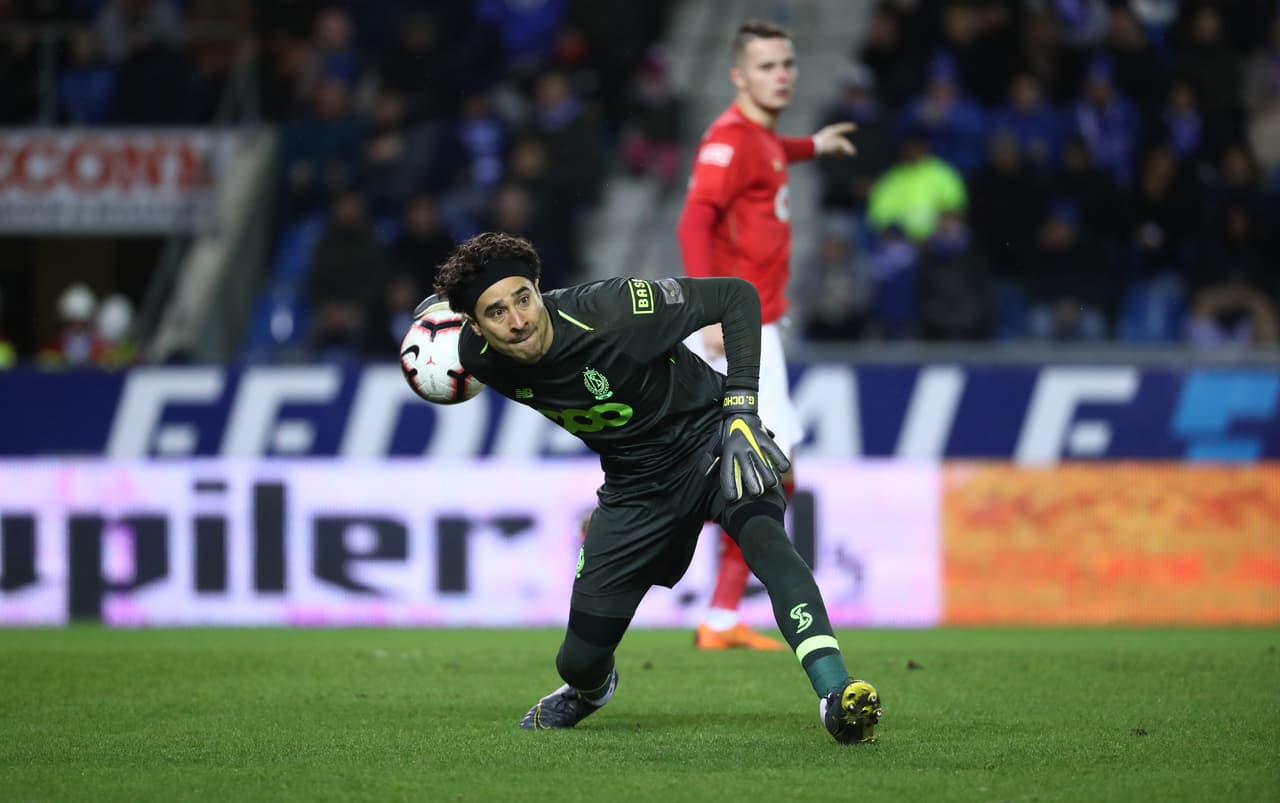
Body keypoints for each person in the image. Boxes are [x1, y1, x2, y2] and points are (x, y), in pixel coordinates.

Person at [431, 232, 882, 743]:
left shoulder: (615, 310)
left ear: (538, 288)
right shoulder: (478, 359)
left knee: (765, 540)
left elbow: (737, 296)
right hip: (634, 488)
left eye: (523, 298)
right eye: (496, 313)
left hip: (710, 440)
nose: (519, 321)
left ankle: (837, 693)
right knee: (577, 661)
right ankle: (592, 690)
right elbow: (436, 347)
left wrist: (740, 411)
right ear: (475, 325)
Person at [675, 19, 858, 651]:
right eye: (767, 66)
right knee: (766, 474)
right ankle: (708, 603)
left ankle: (720, 616)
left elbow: (775, 156)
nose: (781, 74)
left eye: (787, 64)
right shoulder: (729, 139)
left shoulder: (765, 140)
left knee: (757, 471)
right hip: (737, 330)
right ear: (738, 75)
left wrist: (817, 144)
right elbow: (695, 219)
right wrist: (707, 311)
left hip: (759, 327)